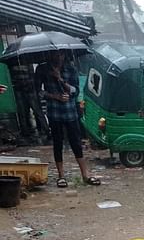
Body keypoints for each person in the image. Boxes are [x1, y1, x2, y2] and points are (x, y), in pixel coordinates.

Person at [37, 51, 100, 187]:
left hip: (70, 112)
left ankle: (85, 174)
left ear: (65, 55)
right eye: (55, 55)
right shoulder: (42, 69)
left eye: (61, 55)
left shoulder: (70, 69)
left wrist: (61, 80)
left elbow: (76, 91)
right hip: (54, 113)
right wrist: (54, 96)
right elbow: (38, 91)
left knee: (76, 142)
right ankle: (61, 176)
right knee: (58, 143)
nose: (58, 57)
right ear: (50, 55)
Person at [10, 63, 49, 142]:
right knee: (23, 112)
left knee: (37, 111)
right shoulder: (13, 63)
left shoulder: (26, 62)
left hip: (29, 89)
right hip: (20, 89)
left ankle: (45, 130)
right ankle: (26, 132)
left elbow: (31, 76)